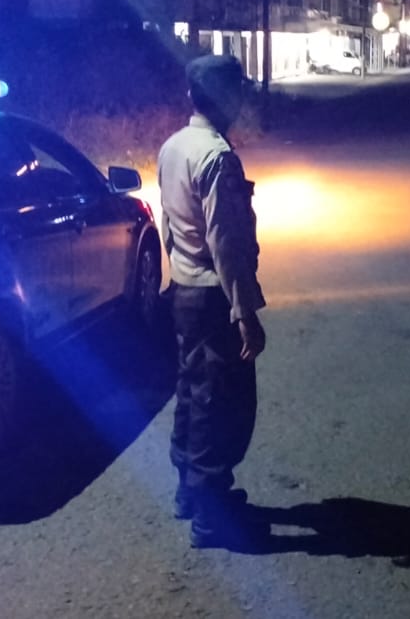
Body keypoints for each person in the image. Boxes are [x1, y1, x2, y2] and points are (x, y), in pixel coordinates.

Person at [158, 55, 267, 549]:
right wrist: (244, 313)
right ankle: (211, 515)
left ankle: (190, 492)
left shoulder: (174, 146)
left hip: (185, 289)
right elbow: (226, 242)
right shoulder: (217, 157)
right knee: (219, 401)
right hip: (211, 294)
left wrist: (178, 269)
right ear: (230, 99)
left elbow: (168, 221)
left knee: (192, 390)